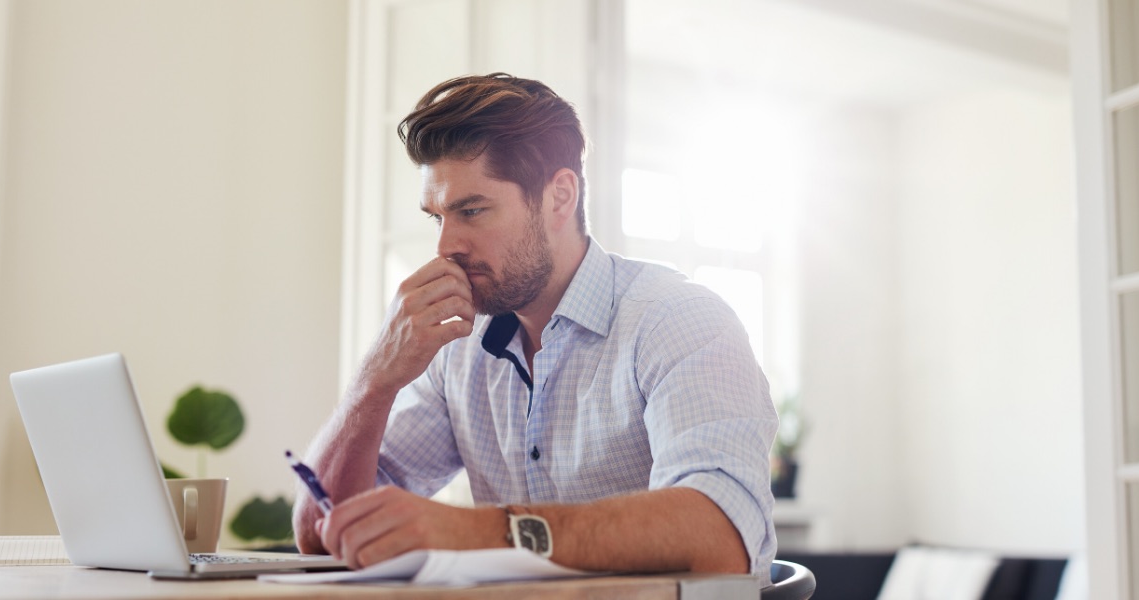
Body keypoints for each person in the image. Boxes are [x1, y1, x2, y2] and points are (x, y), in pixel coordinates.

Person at [293, 73, 778, 578]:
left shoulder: (679, 321)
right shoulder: (461, 351)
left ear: (559, 197)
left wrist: (473, 534)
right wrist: (376, 380)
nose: (445, 247)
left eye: (472, 210)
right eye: (437, 218)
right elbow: (320, 534)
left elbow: (719, 535)